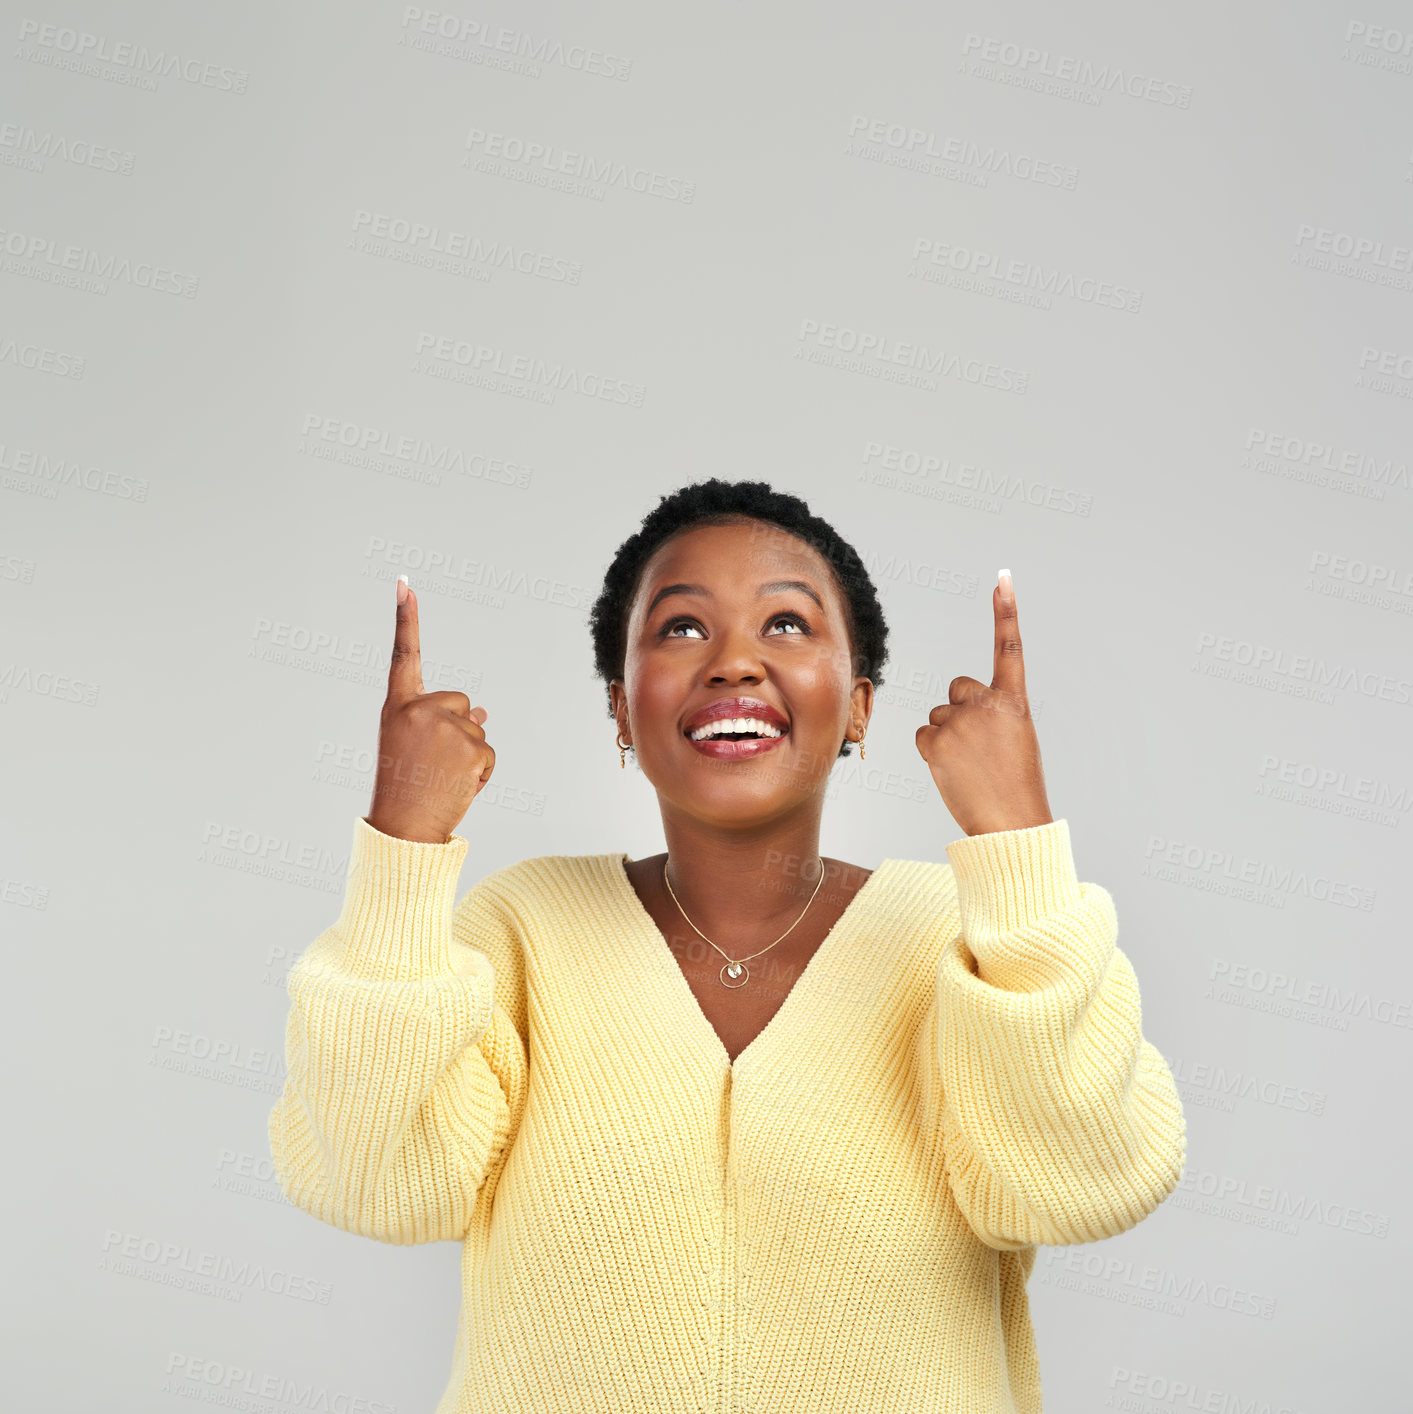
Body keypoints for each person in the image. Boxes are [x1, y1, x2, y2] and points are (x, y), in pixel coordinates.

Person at [268, 478, 1186, 1414]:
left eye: (786, 624)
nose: (735, 663)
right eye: (680, 628)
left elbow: (1082, 1183)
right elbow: (374, 1183)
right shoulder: (524, 931)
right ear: (622, 711)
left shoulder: (966, 939)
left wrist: (1015, 843)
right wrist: (402, 846)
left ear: (859, 706)